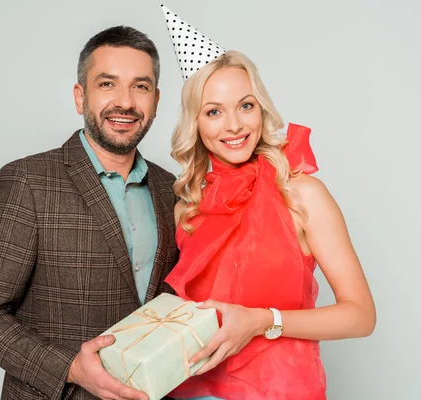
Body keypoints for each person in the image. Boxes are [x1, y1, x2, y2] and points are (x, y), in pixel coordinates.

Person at [159, 6, 376, 400]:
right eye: (213, 112)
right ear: (196, 123)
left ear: (261, 107)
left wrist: (263, 321)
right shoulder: (187, 208)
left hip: (283, 390)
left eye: (245, 105)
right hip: (190, 391)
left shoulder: (302, 194)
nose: (235, 125)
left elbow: (362, 316)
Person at [0, 25, 178, 400]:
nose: (125, 101)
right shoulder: (27, 182)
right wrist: (71, 367)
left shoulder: (171, 189)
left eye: (140, 86)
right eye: (107, 84)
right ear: (80, 96)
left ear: (155, 99)